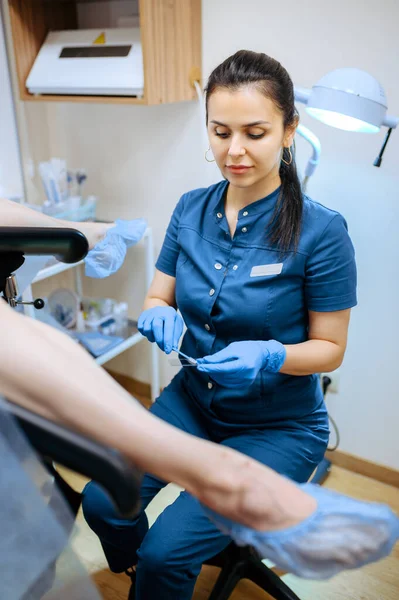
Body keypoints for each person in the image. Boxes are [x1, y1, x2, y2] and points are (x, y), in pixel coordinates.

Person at [80, 49, 362, 599]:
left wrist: (271, 355)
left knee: (168, 550)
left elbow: (330, 349)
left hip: (276, 428)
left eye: (255, 132)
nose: (234, 150)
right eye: (219, 131)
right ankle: (144, 577)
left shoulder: (322, 232)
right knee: (102, 500)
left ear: (289, 131)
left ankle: (160, 571)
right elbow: (158, 296)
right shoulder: (190, 209)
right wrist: (157, 314)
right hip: (193, 403)